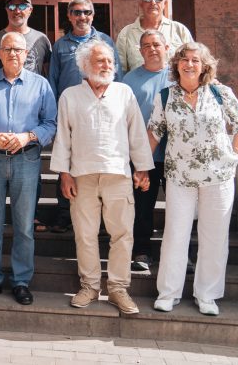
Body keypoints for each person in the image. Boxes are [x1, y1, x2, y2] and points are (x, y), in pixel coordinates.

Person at [148, 42, 238, 316]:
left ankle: (207, 295)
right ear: (177, 64)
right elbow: (154, 132)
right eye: (184, 59)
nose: (189, 64)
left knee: (214, 237)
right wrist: (142, 167)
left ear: (205, 66)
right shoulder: (166, 96)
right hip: (179, 177)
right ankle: (169, 293)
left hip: (218, 177)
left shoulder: (220, 93)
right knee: (175, 235)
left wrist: (235, 153)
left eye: (195, 60)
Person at [51, 40, 153, 315]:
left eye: (110, 61)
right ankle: (90, 286)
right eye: (100, 61)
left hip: (118, 174)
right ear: (85, 66)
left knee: (122, 234)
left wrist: (142, 168)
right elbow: (63, 137)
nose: (107, 66)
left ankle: (119, 288)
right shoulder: (70, 96)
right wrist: (64, 173)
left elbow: (137, 134)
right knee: (85, 235)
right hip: (81, 175)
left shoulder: (124, 93)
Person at [0, 32, 57, 306]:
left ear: (26, 54)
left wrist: (27, 137)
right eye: (8, 49)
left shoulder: (40, 85)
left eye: (18, 49)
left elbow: (50, 123)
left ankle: (20, 281)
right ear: (0, 54)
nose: (13, 54)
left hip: (26, 160)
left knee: (24, 226)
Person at [46, 0, 123, 233]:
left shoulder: (105, 41)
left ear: (93, 15)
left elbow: (116, 75)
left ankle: (100, 217)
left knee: (97, 162)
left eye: (87, 12)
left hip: (102, 112)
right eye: (77, 12)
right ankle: (63, 214)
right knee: (66, 162)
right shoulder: (60, 45)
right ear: (69, 16)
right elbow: (53, 80)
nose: (82, 17)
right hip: (70, 110)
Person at [121, 30, 172, 272]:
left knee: (178, 208)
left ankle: (180, 255)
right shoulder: (130, 80)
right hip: (142, 156)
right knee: (142, 207)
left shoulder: (180, 75)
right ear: (140, 51)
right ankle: (141, 251)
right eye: (146, 46)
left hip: (175, 156)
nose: (152, 49)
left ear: (166, 47)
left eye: (156, 44)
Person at [114, 0, 193, 73]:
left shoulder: (179, 30)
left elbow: (194, 62)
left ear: (165, 3)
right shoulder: (126, 33)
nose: (153, 3)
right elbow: (119, 72)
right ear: (140, 3)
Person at [0, 0, 52, 76]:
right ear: (6, 10)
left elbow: (50, 75)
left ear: (30, 10)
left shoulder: (42, 39)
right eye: (12, 6)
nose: (17, 11)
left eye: (22, 6)